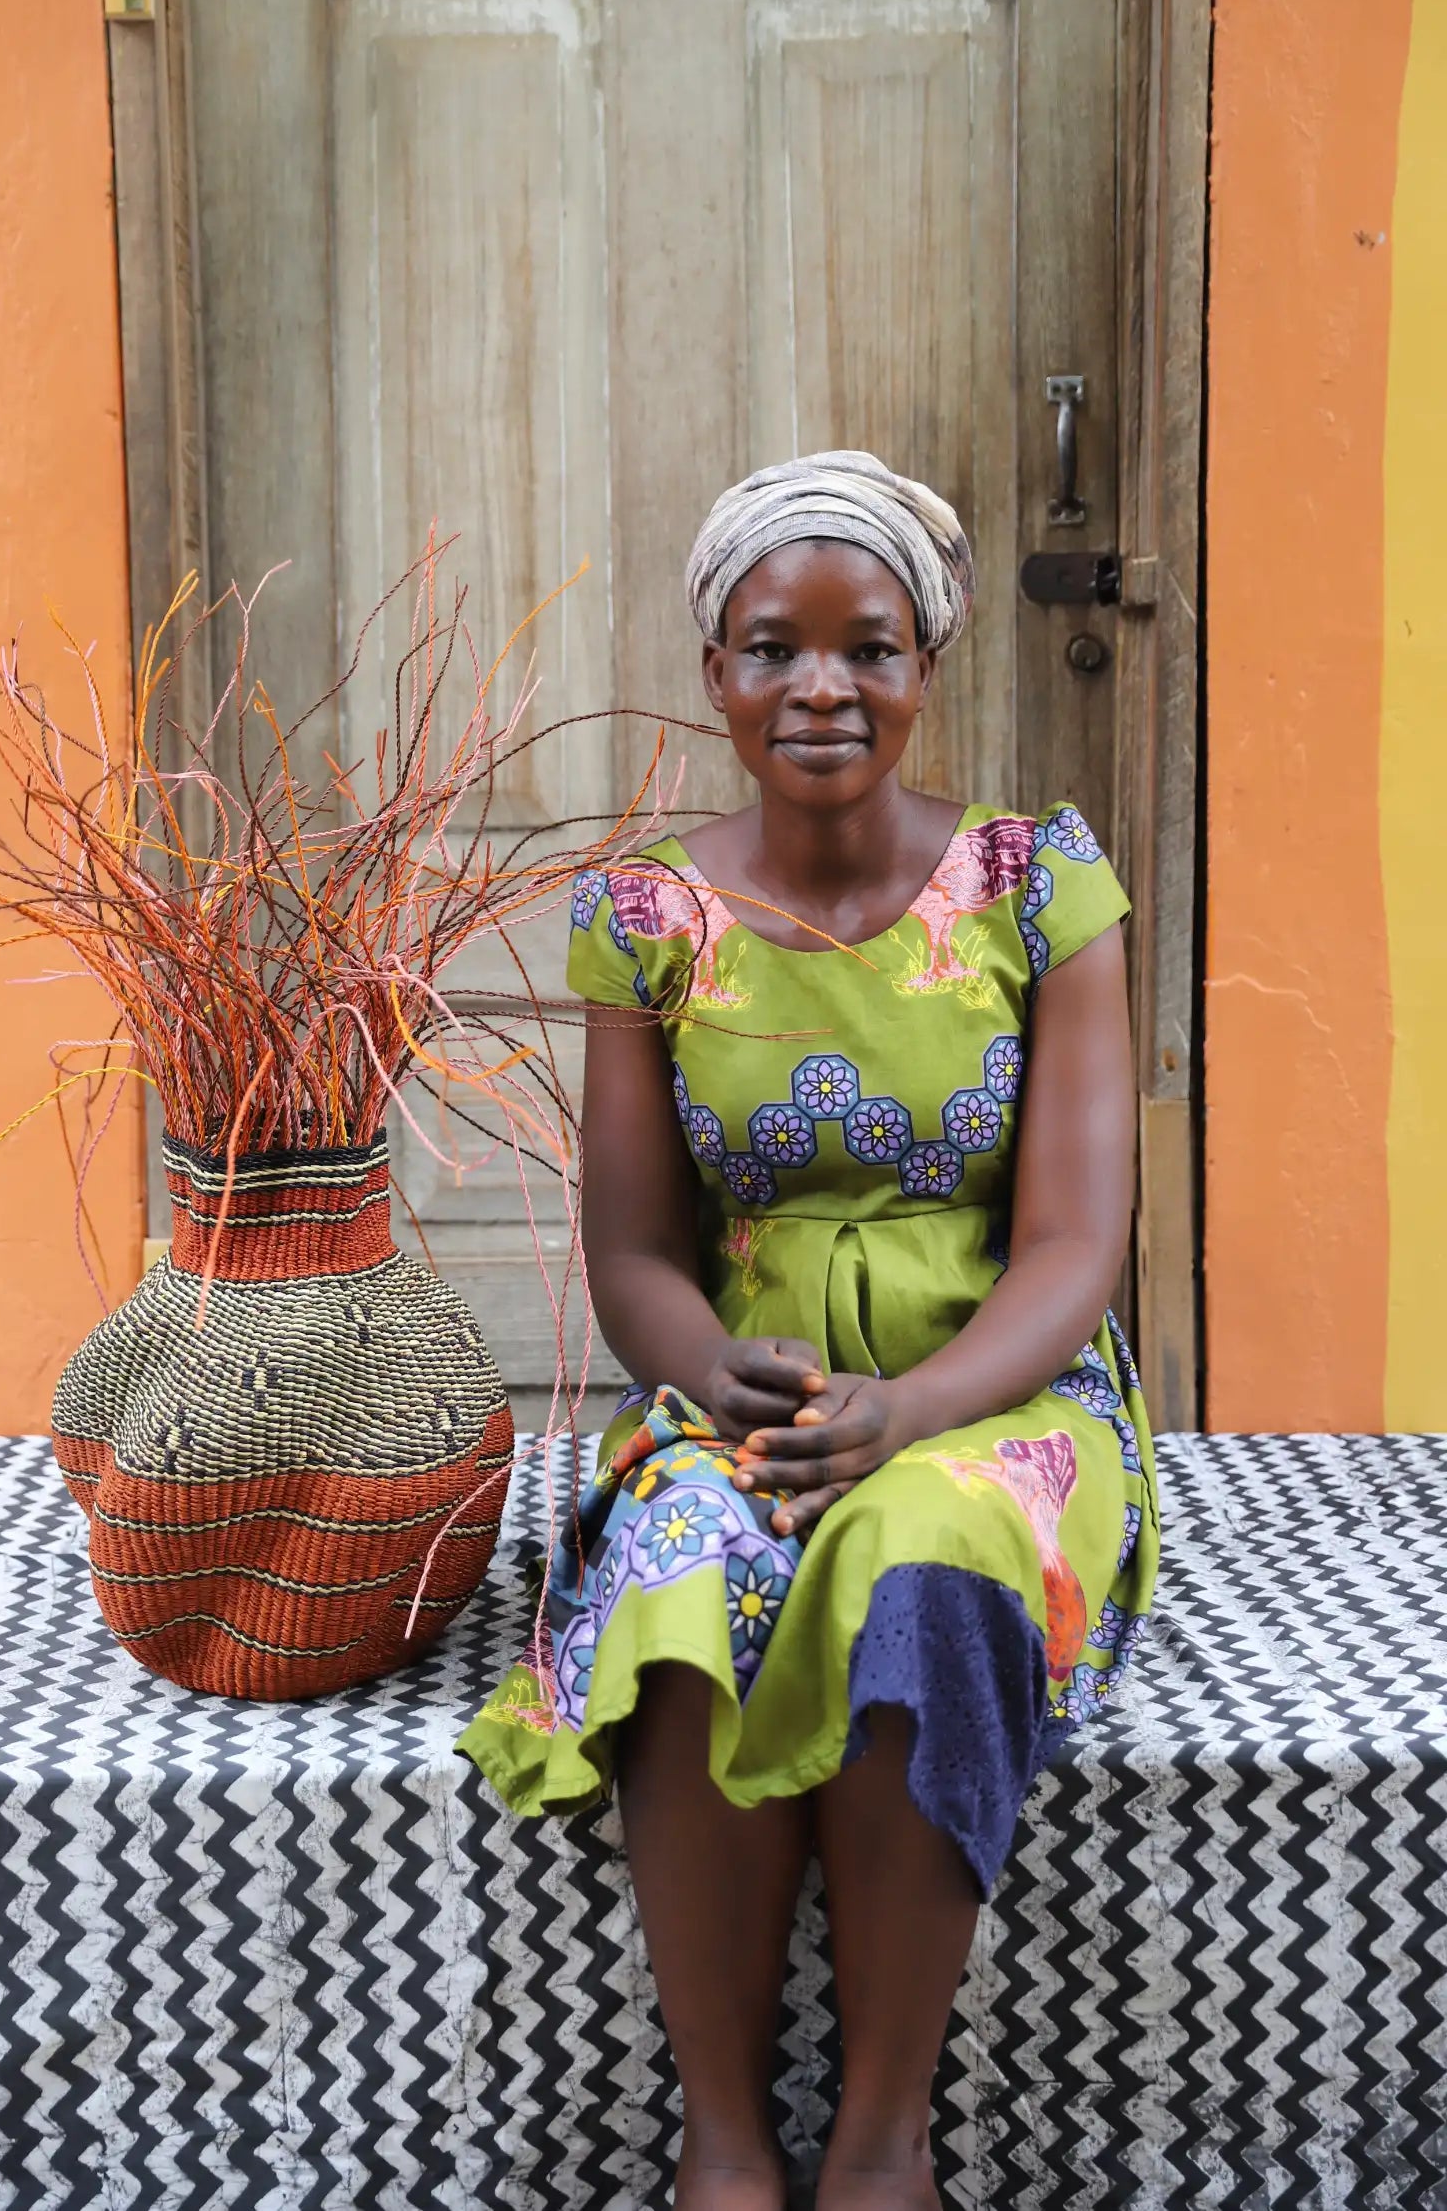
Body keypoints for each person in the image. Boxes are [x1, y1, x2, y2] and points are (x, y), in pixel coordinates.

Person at [459, 450, 1159, 2211]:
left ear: (928, 665)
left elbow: (1075, 1247)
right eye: (775, 647)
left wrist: (912, 1408)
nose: (822, 686)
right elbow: (635, 1249)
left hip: (999, 1390)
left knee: (923, 1554)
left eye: (869, 647)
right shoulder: (646, 918)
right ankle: (721, 2135)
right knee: (690, 1553)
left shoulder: (1038, 887)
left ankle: (880, 2140)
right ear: (718, 672)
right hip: (747, 1395)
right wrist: (710, 1373)